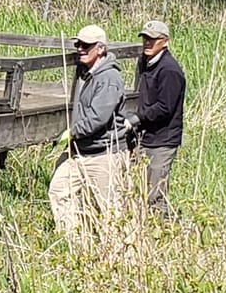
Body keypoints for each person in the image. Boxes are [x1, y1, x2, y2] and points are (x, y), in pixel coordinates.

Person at [47, 24, 132, 240]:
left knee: (111, 210)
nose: (80, 49)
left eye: (86, 45)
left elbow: (97, 118)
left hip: (104, 154)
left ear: (101, 49)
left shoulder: (109, 79)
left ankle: (121, 257)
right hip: (80, 152)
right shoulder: (86, 73)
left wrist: (72, 132)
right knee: (59, 190)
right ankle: (76, 244)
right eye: (78, 44)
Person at [129, 20, 185, 219]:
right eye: (145, 38)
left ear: (165, 42)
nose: (147, 43)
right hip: (146, 136)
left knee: (155, 195)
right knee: (139, 189)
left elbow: (165, 107)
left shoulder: (169, 70)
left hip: (162, 140)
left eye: (152, 39)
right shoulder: (147, 62)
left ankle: (166, 231)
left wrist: (136, 118)